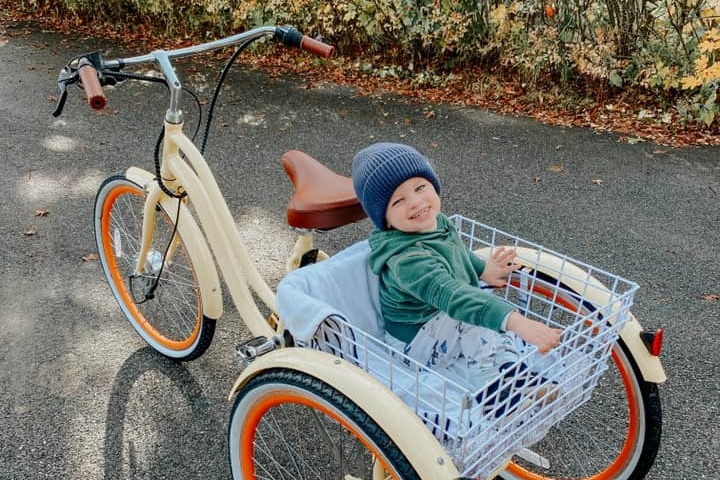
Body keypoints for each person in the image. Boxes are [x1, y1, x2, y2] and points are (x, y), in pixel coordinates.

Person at [351, 142, 562, 403]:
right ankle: (492, 392)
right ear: (385, 219)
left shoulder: (437, 223)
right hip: (413, 345)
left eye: (420, 187)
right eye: (399, 200)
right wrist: (516, 321)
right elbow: (451, 294)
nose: (416, 202)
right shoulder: (407, 260)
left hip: (437, 328)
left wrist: (483, 269)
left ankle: (513, 371)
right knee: (474, 312)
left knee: (487, 309)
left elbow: (455, 252)